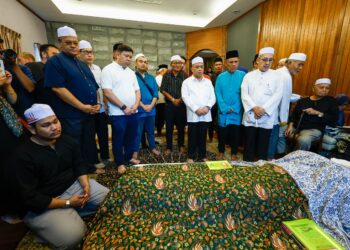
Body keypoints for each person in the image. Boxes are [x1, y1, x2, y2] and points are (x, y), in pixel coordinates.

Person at [10, 104, 109, 249]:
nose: (54, 127)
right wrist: (68, 203)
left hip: (73, 187)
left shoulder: (66, 140)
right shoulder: (23, 156)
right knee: (73, 237)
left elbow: (79, 165)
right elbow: (29, 197)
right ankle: (56, 223)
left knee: (110, 199)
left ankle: (66, 218)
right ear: (32, 129)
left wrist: (85, 185)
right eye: (46, 125)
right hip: (44, 203)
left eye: (55, 121)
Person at [44, 26, 101, 173]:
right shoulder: (55, 61)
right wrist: (82, 106)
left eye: (75, 42)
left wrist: (98, 103)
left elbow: (94, 86)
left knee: (88, 142)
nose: (73, 45)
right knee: (73, 144)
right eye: (68, 42)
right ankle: (76, 173)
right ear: (60, 42)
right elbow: (57, 88)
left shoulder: (81, 63)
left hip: (88, 112)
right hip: (71, 114)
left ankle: (88, 167)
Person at [101, 43, 140, 175]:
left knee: (131, 136)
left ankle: (129, 158)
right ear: (117, 55)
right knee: (119, 138)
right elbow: (107, 92)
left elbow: (137, 91)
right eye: (126, 56)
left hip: (133, 111)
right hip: (118, 113)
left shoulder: (131, 72)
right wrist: (124, 107)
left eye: (130, 57)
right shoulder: (108, 70)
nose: (129, 59)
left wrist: (135, 105)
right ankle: (120, 163)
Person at [241, 47, 283, 161]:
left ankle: (261, 168)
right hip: (251, 115)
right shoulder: (248, 76)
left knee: (263, 145)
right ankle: (246, 166)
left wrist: (263, 109)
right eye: (265, 59)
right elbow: (244, 94)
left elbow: (277, 96)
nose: (267, 63)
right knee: (249, 144)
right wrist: (254, 108)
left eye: (270, 60)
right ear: (258, 60)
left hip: (267, 116)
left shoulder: (278, 76)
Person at [267, 53, 307, 159]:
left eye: (302, 65)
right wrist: (284, 120)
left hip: (272, 113)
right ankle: (269, 161)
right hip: (275, 115)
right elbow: (283, 100)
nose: (300, 68)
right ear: (289, 63)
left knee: (273, 139)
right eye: (299, 65)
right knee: (273, 140)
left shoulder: (282, 73)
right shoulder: (284, 76)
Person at [78, 40, 111, 167]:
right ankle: (93, 161)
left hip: (101, 108)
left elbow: (102, 88)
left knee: (103, 134)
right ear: (78, 53)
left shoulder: (97, 68)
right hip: (87, 109)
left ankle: (105, 157)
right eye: (86, 52)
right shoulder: (76, 68)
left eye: (91, 52)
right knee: (89, 136)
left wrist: (105, 104)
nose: (90, 55)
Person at [0, 70, 28, 215]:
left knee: (18, 167)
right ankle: (11, 211)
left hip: (12, 130)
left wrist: (7, 86)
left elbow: (15, 101)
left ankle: (23, 204)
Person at [285, 78, 338, 150]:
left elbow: (334, 119)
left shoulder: (331, 102)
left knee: (303, 140)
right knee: (279, 131)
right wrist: (290, 126)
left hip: (313, 130)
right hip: (296, 127)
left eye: (327, 88)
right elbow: (294, 115)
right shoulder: (303, 101)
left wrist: (317, 113)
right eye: (321, 87)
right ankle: (281, 154)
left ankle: (297, 159)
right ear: (313, 88)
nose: (324, 89)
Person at [182, 56, 216, 162]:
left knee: (202, 136)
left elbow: (213, 97)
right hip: (193, 114)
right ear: (192, 69)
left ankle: (202, 155)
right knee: (192, 136)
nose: (200, 69)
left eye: (201, 67)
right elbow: (185, 97)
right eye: (197, 67)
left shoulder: (208, 82)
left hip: (205, 113)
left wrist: (207, 107)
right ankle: (190, 156)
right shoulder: (187, 82)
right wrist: (196, 109)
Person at [215, 50, 246, 160]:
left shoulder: (243, 76)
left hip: (237, 111)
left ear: (238, 62)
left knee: (235, 134)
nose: (233, 64)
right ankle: (221, 151)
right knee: (222, 133)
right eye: (231, 62)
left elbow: (244, 93)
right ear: (226, 63)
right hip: (223, 111)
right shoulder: (220, 77)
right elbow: (217, 93)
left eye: (236, 61)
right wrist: (225, 108)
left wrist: (236, 108)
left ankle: (234, 153)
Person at [133, 53, 160, 159]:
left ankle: (152, 147)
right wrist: (143, 106)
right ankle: (135, 150)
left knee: (150, 131)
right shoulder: (132, 77)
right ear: (135, 64)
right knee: (137, 132)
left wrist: (151, 106)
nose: (143, 64)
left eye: (145, 62)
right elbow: (133, 94)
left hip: (151, 110)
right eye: (141, 61)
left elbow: (155, 94)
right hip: (139, 109)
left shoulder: (152, 78)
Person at [160, 55, 188, 155]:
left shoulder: (185, 75)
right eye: (175, 63)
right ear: (171, 64)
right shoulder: (166, 74)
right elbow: (162, 89)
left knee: (181, 127)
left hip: (181, 105)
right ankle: (169, 147)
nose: (177, 65)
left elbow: (187, 90)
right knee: (169, 127)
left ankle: (181, 145)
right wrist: (172, 99)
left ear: (182, 64)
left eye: (179, 63)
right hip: (169, 105)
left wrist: (180, 99)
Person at [1, 48, 36, 116]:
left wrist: (13, 65)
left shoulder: (22, 68)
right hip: (9, 113)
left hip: (27, 109)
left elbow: (30, 88)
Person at [208, 57, 223, 142]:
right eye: (216, 65)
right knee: (211, 120)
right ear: (214, 66)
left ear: (222, 65)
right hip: (213, 103)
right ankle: (210, 137)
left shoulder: (225, 76)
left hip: (222, 103)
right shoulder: (211, 77)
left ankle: (220, 138)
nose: (218, 66)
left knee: (220, 121)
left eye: (219, 64)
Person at [155, 64, 168, 136]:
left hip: (161, 101)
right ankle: (159, 131)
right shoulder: (159, 78)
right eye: (166, 71)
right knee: (160, 117)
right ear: (162, 70)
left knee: (161, 117)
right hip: (161, 101)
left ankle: (159, 130)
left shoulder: (159, 77)